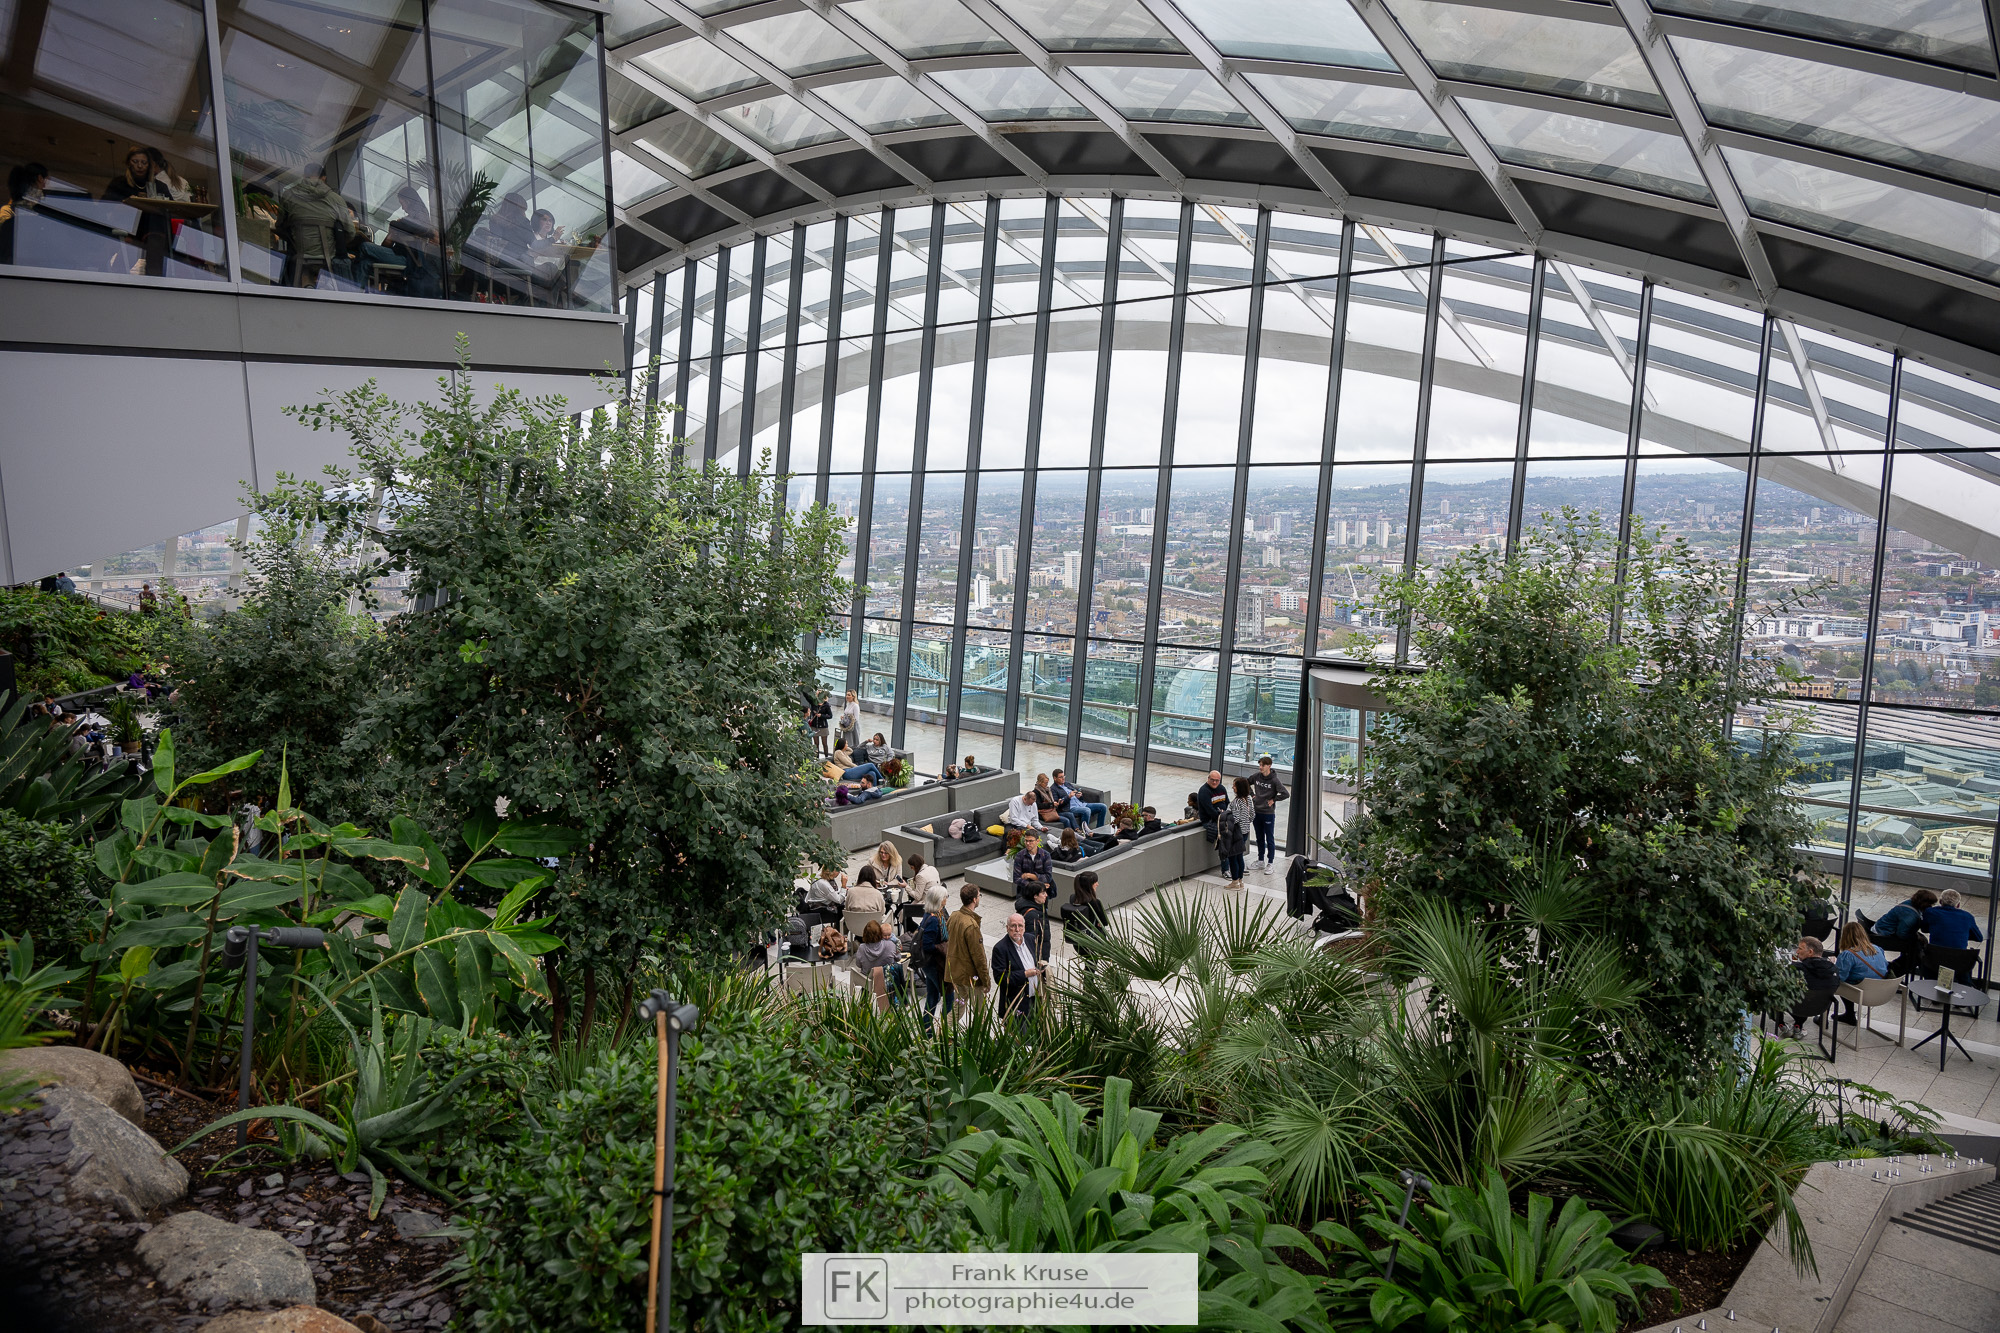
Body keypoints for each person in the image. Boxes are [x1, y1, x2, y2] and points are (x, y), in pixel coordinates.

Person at [278, 162, 355, 288]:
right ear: (324, 178)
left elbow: (280, 225)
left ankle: (304, 283)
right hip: (329, 257)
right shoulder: (336, 199)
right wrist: (335, 244)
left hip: (299, 254)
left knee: (292, 252)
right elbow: (350, 232)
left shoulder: (288, 195)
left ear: (304, 176)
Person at [104, 145, 173, 276]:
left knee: (156, 238)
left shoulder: (159, 186)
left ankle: (154, 279)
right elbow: (106, 206)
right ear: (128, 163)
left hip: (153, 233)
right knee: (123, 264)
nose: (140, 166)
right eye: (135, 162)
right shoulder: (119, 183)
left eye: (144, 162)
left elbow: (170, 208)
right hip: (128, 230)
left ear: (149, 165)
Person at [1774, 937, 1840, 1039]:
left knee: (1775, 991)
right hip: (1820, 1008)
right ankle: (1798, 1026)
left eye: (1800, 949)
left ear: (1810, 952)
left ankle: (1781, 1024)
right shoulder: (1833, 969)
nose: (1797, 951)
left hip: (1795, 1007)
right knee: (1808, 995)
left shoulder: (1797, 969)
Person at [386, 184, 442, 299]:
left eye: (402, 203)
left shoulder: (420, 216)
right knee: (365, 261)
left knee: (365, 248)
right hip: (407, 257)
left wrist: (397, 223)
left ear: (408, 201)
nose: (402, 208)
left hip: (406, 257)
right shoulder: (418, 216)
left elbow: (418, 228)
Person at [944, 884, 991, 1017]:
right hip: (970, 976)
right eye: (979, 896)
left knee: (958, 1008)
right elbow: (978, 956)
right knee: (980, 1013)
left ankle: (943, 1029)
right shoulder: (971, 925)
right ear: (974, 899)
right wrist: (985, 980)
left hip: (955, 971)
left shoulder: (954, 916)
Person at [1869, 889, 1936, 975]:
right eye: (1930, 904)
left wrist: (1917, 935)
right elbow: (1902, 934)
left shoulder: (1910, 903)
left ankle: (1899, 965)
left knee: (1920, 942)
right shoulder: (1911, 916)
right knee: (1917, 950)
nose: (1931, 907)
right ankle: (1897, 970)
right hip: (1883, 935)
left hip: (1881, 928)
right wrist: (1916, 937)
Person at [1834, 921, 1889, 1025]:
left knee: (1832, 982)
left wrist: (1833, 967)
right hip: (1880, 992)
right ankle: (1849, 1014)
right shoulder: (1877, 949)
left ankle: (1828, 1018)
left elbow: (1840, 977)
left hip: (1861, 993)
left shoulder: (1848, 955)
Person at [991, 912, 1040, 1024]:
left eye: (1020, 926)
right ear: (1007, 928)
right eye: (1013, 926)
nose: (1017, 929)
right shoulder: (1000, 948)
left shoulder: (1031, 939)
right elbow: (1000, 978)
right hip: (1016, 1005)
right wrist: (1025, 974)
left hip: (1035, 1000)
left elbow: (1037, 960)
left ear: (1024, 927)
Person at [0, 161, 48, 266]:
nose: (45, 186)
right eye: (45, 181)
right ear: (40, 178)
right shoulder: (39, 222)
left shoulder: (11, 220)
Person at [918, 886, 951, 1030]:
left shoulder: (933, 914)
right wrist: (942, 947)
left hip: (930, 964)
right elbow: (927, 945)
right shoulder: (933, 919)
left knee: (932, 996)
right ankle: (944, 1031)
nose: (946, 899)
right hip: (935, 964)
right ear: (939, 900)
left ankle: (927, 1029)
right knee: (949, 997)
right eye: (945, 896)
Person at [1248, 755, 1288, 871]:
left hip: (1268, 813)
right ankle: (1260, 861)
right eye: (1260, 765)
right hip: (1257, 811)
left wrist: (1274, 799)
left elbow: (1285, 794)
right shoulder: (1256, 776)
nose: (1260, 767)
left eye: (1263, 765)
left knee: (1269, 838)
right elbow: (1245, 783)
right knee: (1259, 837)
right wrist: (1252, 795)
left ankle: (1270, 863)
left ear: (1269, 766)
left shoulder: (1274, 780)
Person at [1063, 872, 1110, 962]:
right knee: (1092, 965)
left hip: (1077, 939)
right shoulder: (1095, 902)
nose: (1097, 884)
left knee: (1088, 963)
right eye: (1095, 882)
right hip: (1092, 940)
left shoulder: (1073, 898)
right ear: (1089, 885)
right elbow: (1104, 922)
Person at [1217, 776, 1253, 890]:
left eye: (1234, 786)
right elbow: (1252, 815)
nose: (1232, 787)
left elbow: (1235, 818)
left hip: (1236, 833)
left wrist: (1225, 814)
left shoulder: (1237, 801)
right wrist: (1246, 822)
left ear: (1239, 788)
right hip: (1245, 831)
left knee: (1233, 857)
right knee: (1240, 856)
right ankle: (1240, 881)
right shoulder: (1249, 799)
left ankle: (1235, 882)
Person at [1016, 880, 1052, 966]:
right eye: (1043, 893)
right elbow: (1031, 940)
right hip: (1037, 958)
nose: (1046, 895)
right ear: (1035, 896)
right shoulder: (1032, 915)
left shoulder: (1036, 907)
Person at [1012, 829, 1053, 898]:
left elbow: (1048, 878)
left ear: (1037, 841)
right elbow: (1016, 878)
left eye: (1031, 841)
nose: (1028, 843)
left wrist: (1029, 875)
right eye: (1026, 841)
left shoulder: (1045, 855)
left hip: (1041, 894)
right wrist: (1037, 884)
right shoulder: (1020, 855)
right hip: (1024, 892)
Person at [1194, 770, 1229, 841]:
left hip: (1221, 818)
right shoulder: (1204, 791)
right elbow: (1210, 811)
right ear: (1208, 778)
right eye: (1212, 780)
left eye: (1217, 780)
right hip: (1210, 821)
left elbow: (1227, 802)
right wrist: (1222, 817)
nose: (1214, 782)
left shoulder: (1222, 788)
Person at [808, 688, 834, 756]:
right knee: (816, 744)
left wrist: (821, 715)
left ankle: (826, 758)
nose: (817, 695)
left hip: (823, 726)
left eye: (819, 694)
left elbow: (830, 716)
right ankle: (816, 758)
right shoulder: (814, 703)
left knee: (824, 744)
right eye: (817, 694)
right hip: (814, 726)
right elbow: (807, 697)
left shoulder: (826, 705)